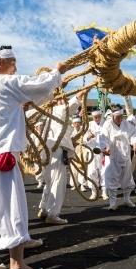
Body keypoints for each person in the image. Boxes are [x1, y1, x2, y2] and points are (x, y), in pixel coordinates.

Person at [0, 46, 64, 269]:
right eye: (13, 63)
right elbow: (41, 86)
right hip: (0, 157)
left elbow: (4, 107)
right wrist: (58, 71)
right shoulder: (7, 82)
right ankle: (17, 266)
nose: (16, 68)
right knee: (11, 210)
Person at [38, 95, 81, 224]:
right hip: (56, 151)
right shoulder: (57, 110)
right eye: (62, 99)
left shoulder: (51, 113)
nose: (64, 101)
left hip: (49, 151)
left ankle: (44, 208)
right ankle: (52, 214)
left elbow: (68, 110)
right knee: (58, 182)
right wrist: (79, 96)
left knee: (50, 181)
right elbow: (67, 109)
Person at [99, 108, 136, 210]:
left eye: (121, 117)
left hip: (125, 155)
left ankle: (127, 199)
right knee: (111, 179)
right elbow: (103, 138)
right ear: (112, 116)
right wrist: (105, 147)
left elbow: (134, 134)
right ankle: (113, 203)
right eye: (117, 117)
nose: (120, 119)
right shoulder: (107, 124)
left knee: (128, 178)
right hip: (112, 156)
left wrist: (134, 142)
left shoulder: (126, 124)